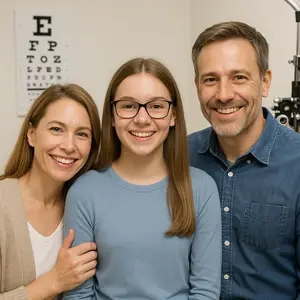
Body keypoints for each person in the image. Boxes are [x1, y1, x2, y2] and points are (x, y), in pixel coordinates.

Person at [62, 57, 221, 299]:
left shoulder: (201, 188)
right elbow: (78, 294)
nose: (142, 118)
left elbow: (205, 292)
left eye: (156, 106)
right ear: (113, 116)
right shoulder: (84, 192)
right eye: (128, 106)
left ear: (173, 116)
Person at [189, 20, 300, 299]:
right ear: (197, 85)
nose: (224, 95)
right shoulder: (178, 155)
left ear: (265, 81)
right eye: (210, 79)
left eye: (239, 77)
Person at [0, 83, 101, 299]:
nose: (69, 145)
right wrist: (54, 281)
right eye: (56, 129)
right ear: (31, 134)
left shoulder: (86, 206)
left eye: (82, 134)